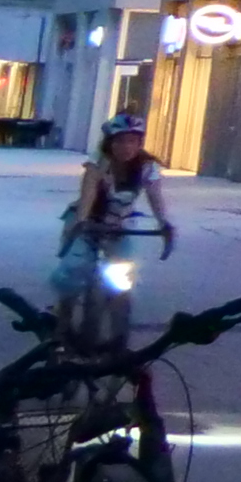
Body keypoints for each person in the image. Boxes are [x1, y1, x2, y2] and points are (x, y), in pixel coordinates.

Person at [54, 116, 174, 339]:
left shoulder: (148, 167)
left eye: (132, 141)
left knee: (123, 277)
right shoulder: (98, 162)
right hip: (87, 223)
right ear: (109, 143)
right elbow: (88, 191)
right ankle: (63, 321)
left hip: (120, 226)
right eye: (119, 142)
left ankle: (118, 334)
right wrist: (81, 221)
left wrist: (164, 223)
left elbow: (156, 197)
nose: (126, 147)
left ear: (140, 144)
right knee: (72, 270)